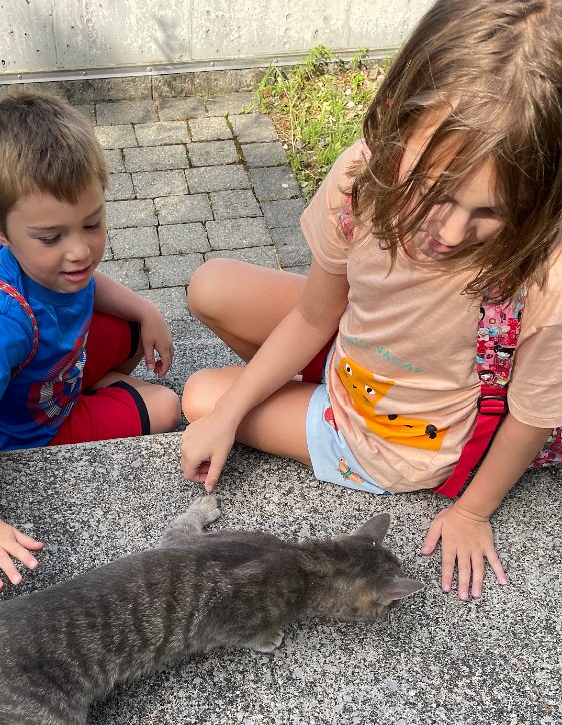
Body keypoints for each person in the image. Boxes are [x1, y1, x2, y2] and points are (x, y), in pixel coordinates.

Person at [180, 0, 562, 601]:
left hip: (396, 440)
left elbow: (534, 415)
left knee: (200, 395)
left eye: (492, 211)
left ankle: (305, 390)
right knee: (211, 288)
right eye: (433, 190)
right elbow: (315, 313)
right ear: (392, 121)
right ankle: (304, 382)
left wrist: (472, 510)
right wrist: (233, 415)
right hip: (359, 342)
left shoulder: (546, 272)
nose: (450, 233)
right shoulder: (360, 180)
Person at [0, 90, 180, 591]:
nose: (80, 251)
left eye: (92, 223)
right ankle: (105, 389)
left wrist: (145, 309)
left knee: (132, 328)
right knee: (168, 407)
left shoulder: (50, 265)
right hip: (32, 430)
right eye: (51, 237)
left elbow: (87, 285)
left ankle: (101, 382)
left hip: (50, 372)